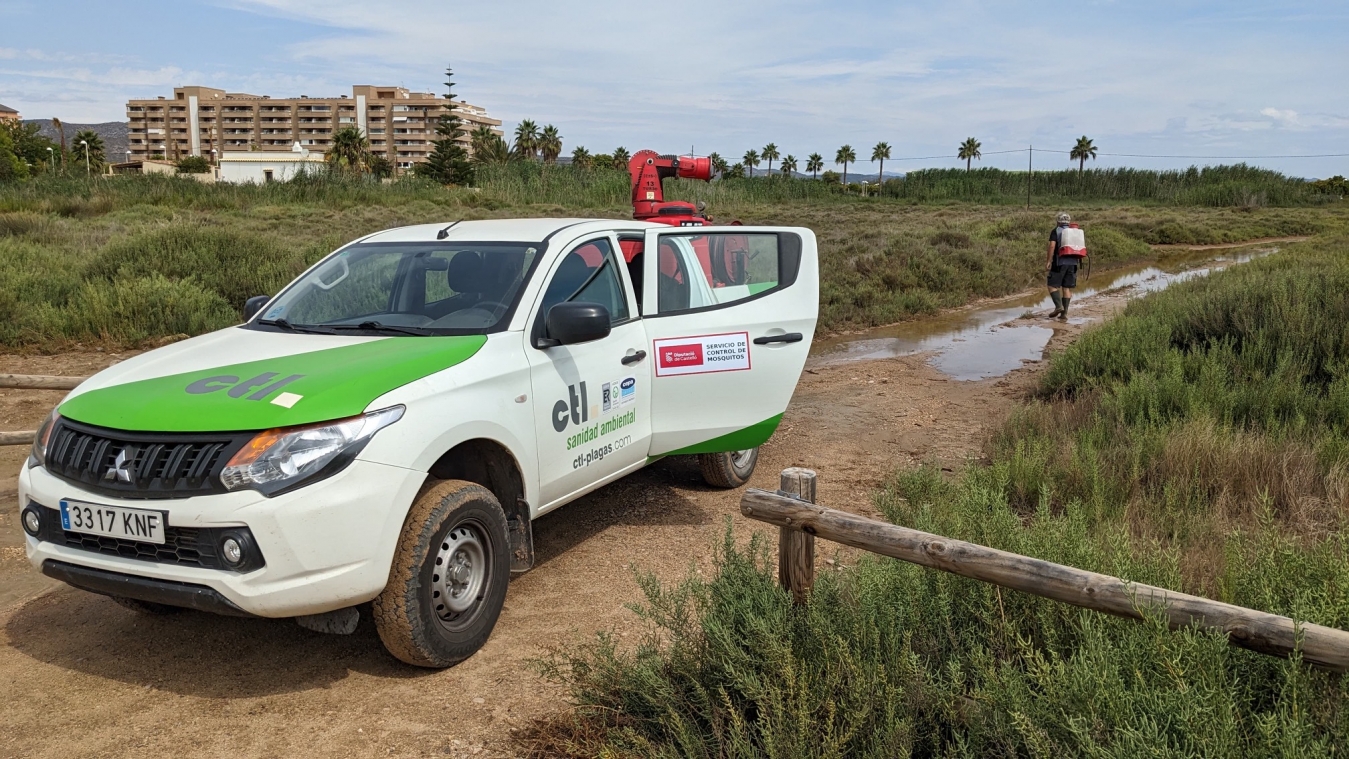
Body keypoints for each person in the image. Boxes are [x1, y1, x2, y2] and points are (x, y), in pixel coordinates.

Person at [1045, 212, 1085, 320]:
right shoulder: (1075, 232)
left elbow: (1052, 246)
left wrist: (1049, 261)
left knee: (1052, 285)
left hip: (1059, 263)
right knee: (1066, 288)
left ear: (1058, 221)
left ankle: (1058, 306)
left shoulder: (1056, 231)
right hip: (1073, 264)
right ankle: (1064, 314)